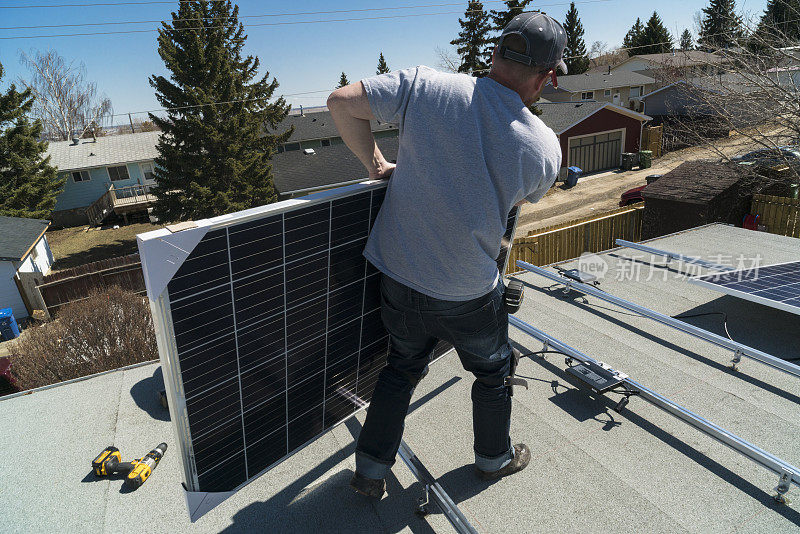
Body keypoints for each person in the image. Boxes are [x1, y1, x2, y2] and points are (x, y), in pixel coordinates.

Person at [327, 12, 566, 499]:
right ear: (546, 77)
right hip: (468, 295)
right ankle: (493, 460)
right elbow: (515, 201)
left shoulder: (427, 85)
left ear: (495, 53)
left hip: (399, 278)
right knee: (494, 370)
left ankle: (370, 473)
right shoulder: (543, 147)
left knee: (401, 368)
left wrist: (376, 165)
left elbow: (340, 103)